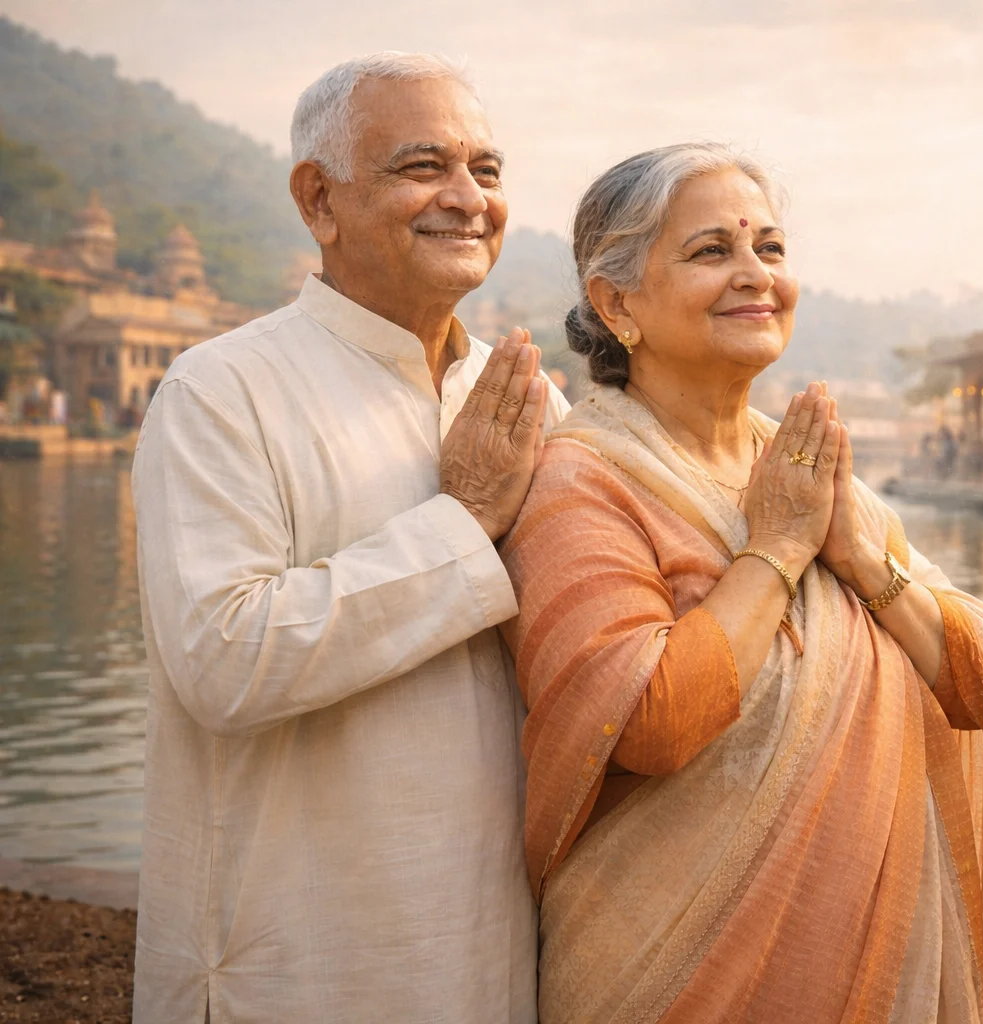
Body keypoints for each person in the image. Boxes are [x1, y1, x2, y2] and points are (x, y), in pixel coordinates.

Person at [503, 145, 983, 1023]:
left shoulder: (811, 472)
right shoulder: (581, 482)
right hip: (670, 971)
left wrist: (864, 564)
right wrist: (774, 549)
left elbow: (974, 686)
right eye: (712, 251)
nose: (755, 275)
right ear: (618, 304)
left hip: (869, 958)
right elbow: (651, 722)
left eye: (769, 248)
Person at [130, 54, 569, 1023]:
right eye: (424, 166)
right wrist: (464, 524)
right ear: (318, 200)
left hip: (494, 950)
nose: (468, 199)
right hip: (295, 962)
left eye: (487, 171)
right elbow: (223, 659)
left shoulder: (524, 399)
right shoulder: (222, 390)